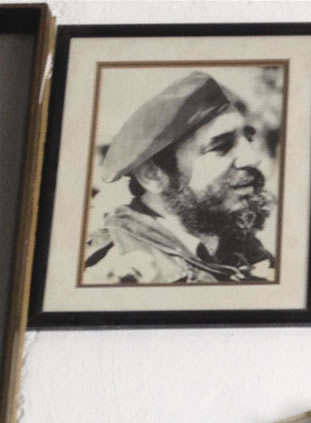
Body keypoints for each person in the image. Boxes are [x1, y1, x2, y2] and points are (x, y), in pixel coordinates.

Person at [83, 71, 276, 284]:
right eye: (221, 146)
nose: (252, 158)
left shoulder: (243, 249)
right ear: (152, 175)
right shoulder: (116, 275)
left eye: (249, 138)